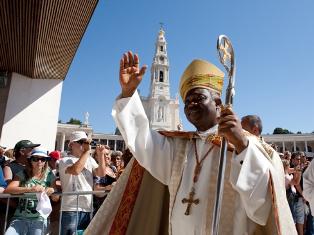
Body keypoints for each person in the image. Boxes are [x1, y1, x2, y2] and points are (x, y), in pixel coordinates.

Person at [86, 51, 295, 234]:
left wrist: (241, 147)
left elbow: (264, 202)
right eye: (187, 101)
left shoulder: (244, 145)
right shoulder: (179, 147)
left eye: (198, 98)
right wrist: (129, 95)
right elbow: (143, 142)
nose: (191, 104)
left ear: (218, 103)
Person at [58, 131, 106, 235]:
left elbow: (101, 173)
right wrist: (86, 152)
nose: (84, 145)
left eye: (86, 142)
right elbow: (76, 170)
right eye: (81, 142)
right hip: (70, 208)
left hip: (87, 207)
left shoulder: (89, 159)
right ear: (71, 144)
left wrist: (101, 155)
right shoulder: (64, 160)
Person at [4, 147, 57, 235]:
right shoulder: (23, 173)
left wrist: (53, 190)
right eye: (36, 159)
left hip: (39, 220)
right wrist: (30, 189)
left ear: (45, 161)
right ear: (30, 160)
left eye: (43, 159)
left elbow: (56, 198)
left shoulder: (50, 175)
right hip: (20, 218)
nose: (39, 162)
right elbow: (8, 189)